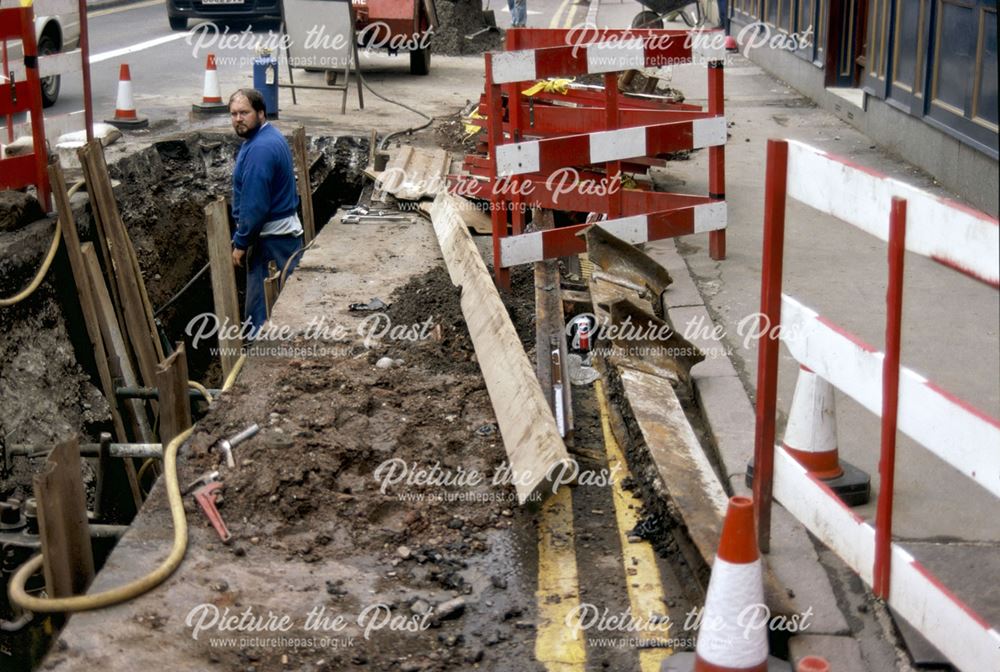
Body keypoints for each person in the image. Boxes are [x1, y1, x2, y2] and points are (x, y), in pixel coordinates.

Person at [228, 88, 304, 335]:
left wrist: (241, 243)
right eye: (234, 114)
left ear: (260, 113)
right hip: (278, 236)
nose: (238, 119)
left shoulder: (260, 149)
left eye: (244, 113)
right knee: (281, 300)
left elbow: (254, 205)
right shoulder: (264, 138)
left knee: (261, 311)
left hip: (270, 241)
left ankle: (260, 360)